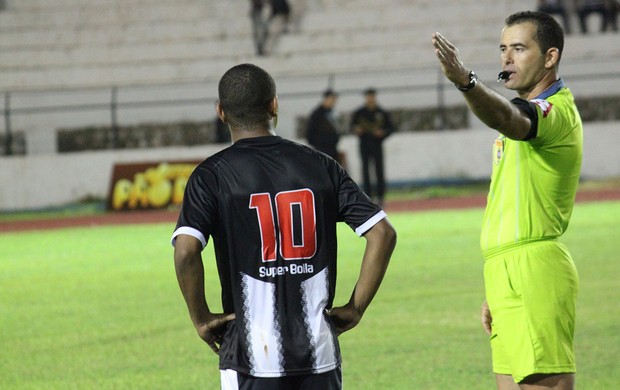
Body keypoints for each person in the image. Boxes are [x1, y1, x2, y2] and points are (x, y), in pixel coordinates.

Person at [171, 63, 396, 389]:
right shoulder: (321, 165)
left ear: (221, 112)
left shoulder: (211, 175)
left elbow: (186, 251)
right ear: (274, 105)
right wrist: (356, 307)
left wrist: (201, 318)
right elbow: (382, 232)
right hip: (319, 354)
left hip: (248, 357)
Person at [432, 10, 582, 390]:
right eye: (503, 49)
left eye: (519, 48)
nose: (506, 58)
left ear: (550, 57)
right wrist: (498, 284)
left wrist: (466, 83)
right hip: (506, 271)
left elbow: (511, 118)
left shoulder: (556, 111)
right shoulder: (520, 119)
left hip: (535, 271)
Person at [350, 88, 395, 207]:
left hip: (377, 145)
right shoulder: (359, 113)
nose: (370, 99)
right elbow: (352, 126)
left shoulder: (381, 112)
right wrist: (356, 130)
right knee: (365, 171)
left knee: (379, 171)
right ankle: (368, 196)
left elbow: (391, 128)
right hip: (364, 145)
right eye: (368, 96)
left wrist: (383, 133)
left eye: (372, 96)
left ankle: (381, 197)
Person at [306, 89, 341, 161]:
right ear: (326, 99)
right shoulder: (317, 114)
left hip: (332, 148)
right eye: (332, 100)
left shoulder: (332, 113)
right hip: (322, 149)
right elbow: (310, 132)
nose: (333, 102)